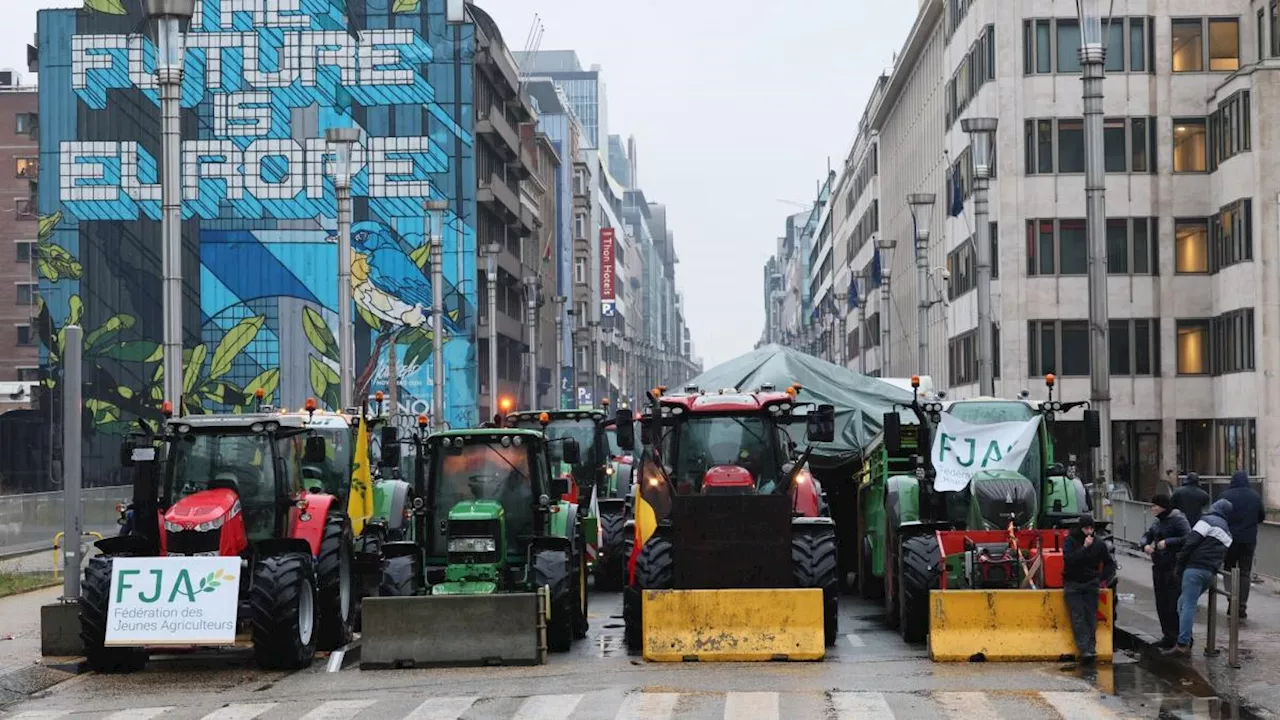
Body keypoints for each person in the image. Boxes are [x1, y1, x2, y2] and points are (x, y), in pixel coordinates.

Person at [1169, 498, 1234, 657]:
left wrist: (1180, 563)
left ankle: (1183, 644)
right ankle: (1186, 638)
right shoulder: (1228, 533)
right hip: (1209, 573)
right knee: (1182, 603)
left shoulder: (1207, 521)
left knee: (1188, 605)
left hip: (1194, 569)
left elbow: (1191, 542)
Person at [1139, 493, 1191, 648]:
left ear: (1162, 506)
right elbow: (1146, 536)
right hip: (1159, 565)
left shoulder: (1178, 519)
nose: (1152, 509)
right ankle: (1167, 635)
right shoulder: (1157, 522)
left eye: (1155, 506)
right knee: (1161, 603)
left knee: (1173, 603)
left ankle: (1179, 637)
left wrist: (1168, 542)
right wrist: (1145, 545)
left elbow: (1188, 538)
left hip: (1174, 567)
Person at [1062, 514, 1116, 664]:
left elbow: (1109, 564)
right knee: (1078, 616)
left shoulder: (1099, 544)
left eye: (1091, 528)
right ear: (1080, 528)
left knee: (1090, 616)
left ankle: (1091, 648)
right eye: (1086, 528)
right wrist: (1084, 548)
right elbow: (1070, 560)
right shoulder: (1071, 541)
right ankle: (1084, 648)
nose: (1089, 531)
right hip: (1073, 583)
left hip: (1091, 583)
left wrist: (1101, 579)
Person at [1221, 470, 1263, 619]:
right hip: (1248, 539)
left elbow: (1220, 514)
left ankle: (1231, 601)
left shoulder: (1226, 495)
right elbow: (1261, 516)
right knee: (1245, 572)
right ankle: (1242, 606)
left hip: (1229, 539)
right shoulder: (1255, 496)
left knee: (1228, 569)